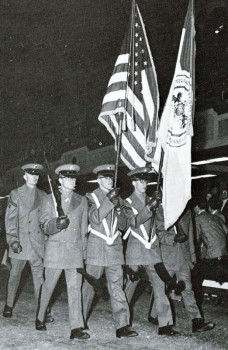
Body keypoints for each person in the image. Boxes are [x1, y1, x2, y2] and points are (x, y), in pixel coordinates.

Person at [123, 167, 182, 336]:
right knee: (130, 288)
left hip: (153, 252)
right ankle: (123, 322)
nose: (144, 184)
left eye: (146, 181)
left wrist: (172, 238)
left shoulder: (154, 201)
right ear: (133, 182)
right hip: (136, 251)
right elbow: (133, 222)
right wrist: (149, 207)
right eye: (141, 181)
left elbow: (160, 228)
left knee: (160, 287)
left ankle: (166, 325)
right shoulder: (127, 202)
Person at [82, 164, 138, 338]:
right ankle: (79, 321)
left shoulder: (119, 199)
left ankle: (122, 326)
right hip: (97, 247)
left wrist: (119, 208)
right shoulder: (90, 197)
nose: (109, 180)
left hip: (114, 248)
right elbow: (94, 218)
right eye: (105, 177)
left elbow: (122, 225)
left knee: (117, 288)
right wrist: (108, 201)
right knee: (90, 287)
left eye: (110, 177)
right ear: (98, 180)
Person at [36, 164, 90, 340]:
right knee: (48, 287)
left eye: (74, 178)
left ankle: (76, 328)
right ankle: (40, 316)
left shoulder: (81, 201)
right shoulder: (49, 199)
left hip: (74, 252)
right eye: (68, 178)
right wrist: (55, 225)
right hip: (55, 250)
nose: (72, 181)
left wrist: (84, 254)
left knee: (75, 290)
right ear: (60, 180)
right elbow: (44, 225)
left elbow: (83, 231)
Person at [152, 202, 215, 333]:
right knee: (162, 290)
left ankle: (197, 321)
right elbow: (159, 232)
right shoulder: (162, 209)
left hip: (183, 258)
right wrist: (174, 237)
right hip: (167, 256)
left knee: (187, 289)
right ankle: (157, 318)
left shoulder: (187, 211)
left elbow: (191, 236)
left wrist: (192, 257)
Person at [3, 164, 53, 322]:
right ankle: (9, 304)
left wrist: (46, 241)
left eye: (37, 174)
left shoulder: (43, 195)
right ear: (25, 176)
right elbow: (10, 220)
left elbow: (46, 220)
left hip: (37, 245)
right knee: (15, 276)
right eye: (31, 174)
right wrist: (13, 241)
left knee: (39, 278)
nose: (34, 176)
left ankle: (41, 310)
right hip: (20, 243)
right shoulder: (15, 194)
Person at [192, 199, 228, 312]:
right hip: (225, 258)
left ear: (197, 207)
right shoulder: (217, 217)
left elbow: (195, 240)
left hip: (214, 260)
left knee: (195, 274)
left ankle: (196, 304)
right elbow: (226, 232)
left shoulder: (198, 219)